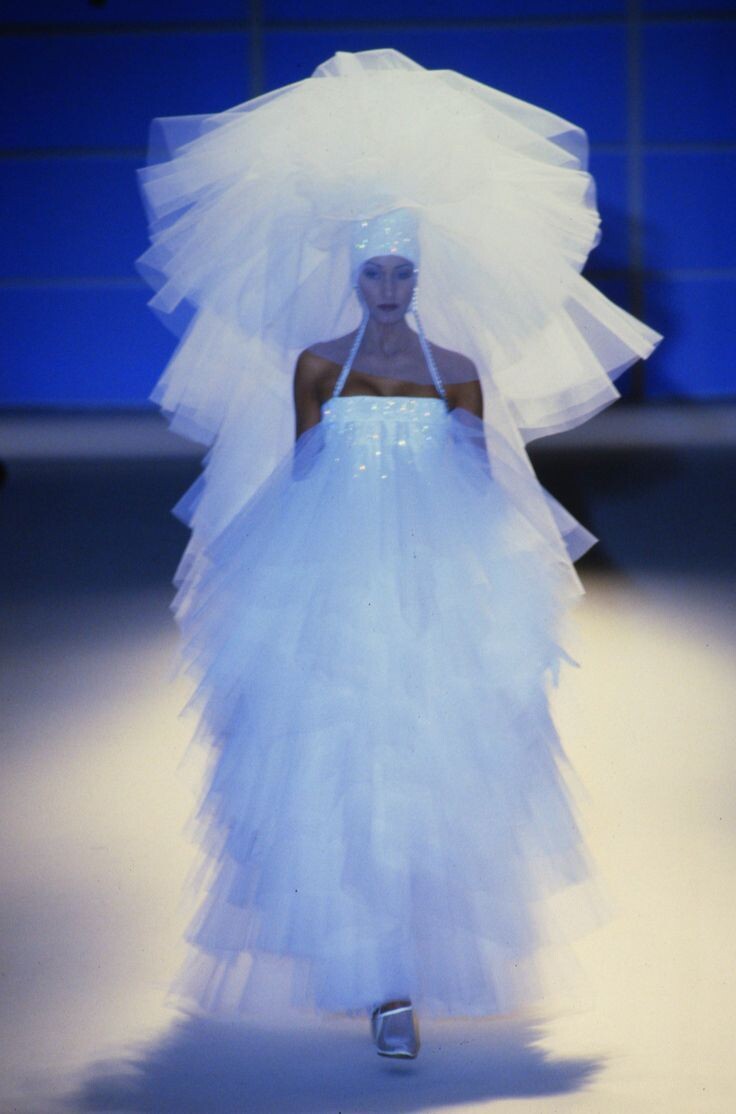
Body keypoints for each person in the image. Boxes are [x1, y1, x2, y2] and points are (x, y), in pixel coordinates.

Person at [137, 50, 662, 1059]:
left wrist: (490, 588)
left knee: (434, 752)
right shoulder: (314, 364)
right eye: (374, 270)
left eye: (402, 270)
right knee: (341, 751)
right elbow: (302, 469)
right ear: (353, 274)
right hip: (333, 570)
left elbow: (482, 481)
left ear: (422, 275)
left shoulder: (459, 369)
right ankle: (371, 971)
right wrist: (281, 588)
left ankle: (415, 961)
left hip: (432, 576)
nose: (387, 286)